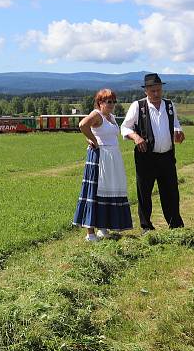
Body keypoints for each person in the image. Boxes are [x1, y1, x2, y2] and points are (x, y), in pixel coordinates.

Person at [121, 73, 186, 233]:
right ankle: (146, 227)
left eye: (159, 90)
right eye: (153, 91)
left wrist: (179, 132)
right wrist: (136, 137)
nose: (157, 94)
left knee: (171, 192)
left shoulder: (169, 106)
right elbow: (125, 127)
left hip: (167, 157)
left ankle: (175, 225)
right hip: (146, 158)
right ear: (146, 91)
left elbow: (175, 124)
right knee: (144, 193)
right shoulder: (138, 106)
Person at [73, 89, 133, 241]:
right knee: (93, 192)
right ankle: (90, 234)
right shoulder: (96, 114)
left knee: (108, 191)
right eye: (108, 101)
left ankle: (103, 228)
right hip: (99, 157)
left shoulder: (111, 117)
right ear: (100, 103)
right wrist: (93, 140)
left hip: (112, 158)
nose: (112, 104)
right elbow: (82, 125)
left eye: (113, 101)